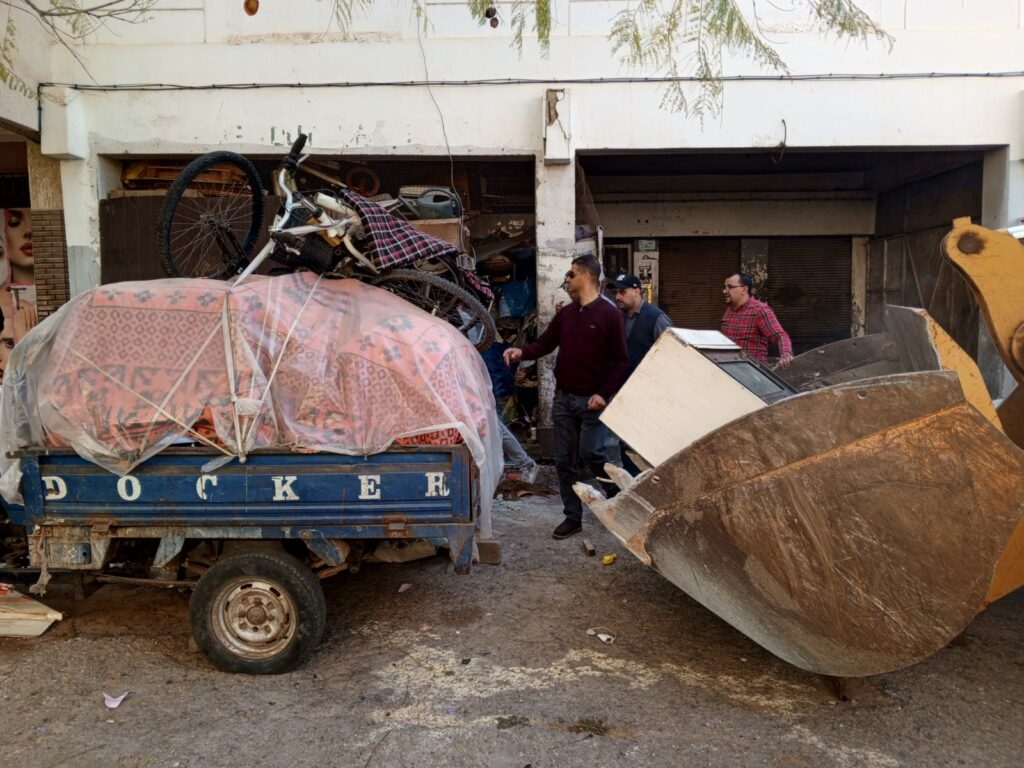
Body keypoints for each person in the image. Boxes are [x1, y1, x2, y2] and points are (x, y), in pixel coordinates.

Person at [503, 254, 628, 539]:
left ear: (587, 276)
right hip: (563, 398)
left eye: (571, 274)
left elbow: (621, 361)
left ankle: (616, 496)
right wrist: (522, 352)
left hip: (591, 401)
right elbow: (546, 343)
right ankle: (573, 517)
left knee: (592, 453)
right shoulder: (567, 314)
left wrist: (602, 393)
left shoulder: (610, 315)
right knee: (563, 461)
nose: (567, 279)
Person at [606, 272, 671, 474]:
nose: (617, 296)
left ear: (637, 291)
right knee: (626, 445)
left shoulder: (656, 318)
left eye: (622, 291)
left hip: (649, 394)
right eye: (615, 292)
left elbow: (671, 355)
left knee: (644, 445)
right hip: (624, 392)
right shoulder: (620, 317)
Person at [720, 272, 793, 369]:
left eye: (730, 287)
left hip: (753, 374)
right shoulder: (729, 311)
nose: (725, 291)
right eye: (725, 287)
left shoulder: (759, 310)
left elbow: (780, 335)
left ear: (744, 289)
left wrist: (785, 354)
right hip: (730, 371)